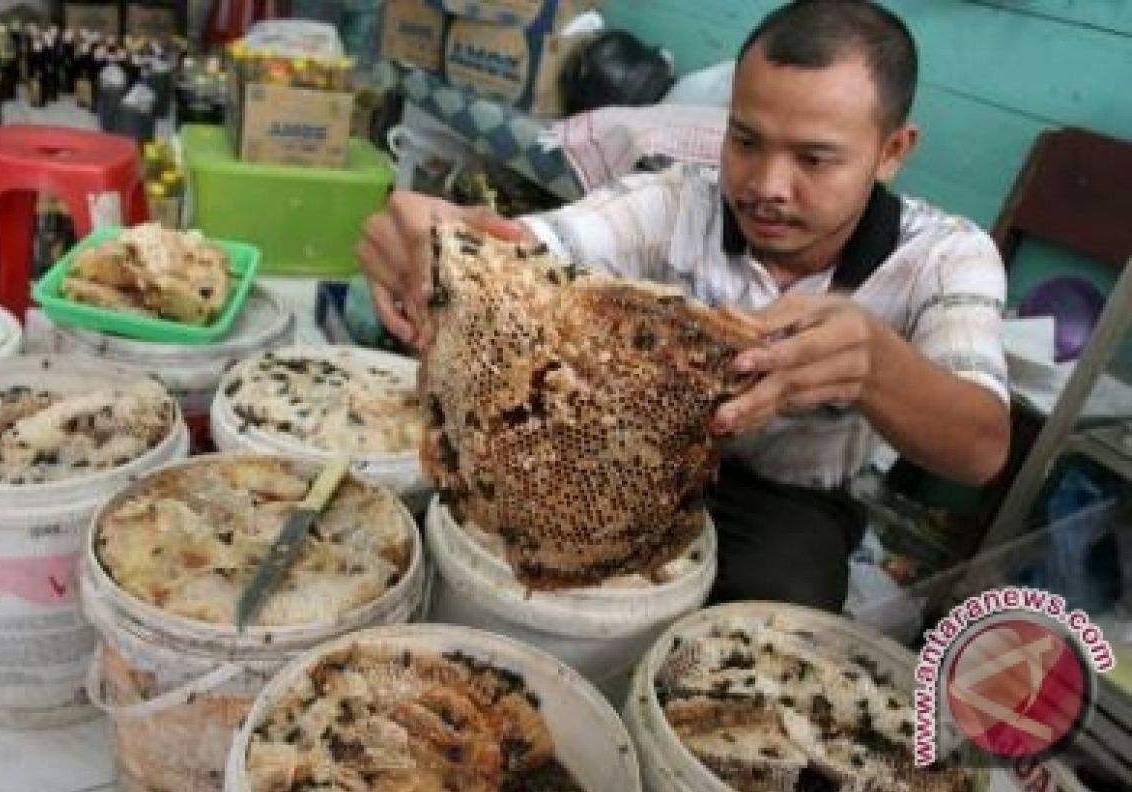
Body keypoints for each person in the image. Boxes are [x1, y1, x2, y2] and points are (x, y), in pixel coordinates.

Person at [356, 0, 1011, 612]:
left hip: (789, 498)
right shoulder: (675, 200)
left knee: (777, 599)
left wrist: (876, 367)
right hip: (615, 451)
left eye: (814, 158)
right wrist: (441, 243)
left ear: (892, 150)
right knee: (484, 541)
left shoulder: (945, 255)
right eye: (746, 141)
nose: (766, 186)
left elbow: (981, 446)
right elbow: (533, 251)